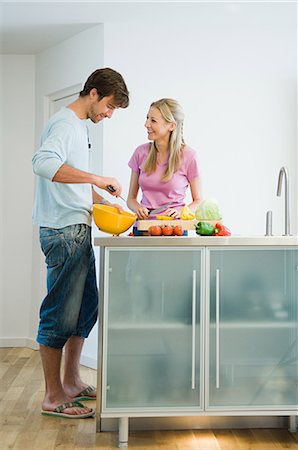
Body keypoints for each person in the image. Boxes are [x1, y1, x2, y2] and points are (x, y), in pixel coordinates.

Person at [32, 68, 129, 418]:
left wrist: (100, 198)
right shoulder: (65, 124)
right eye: (109, 106)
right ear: (93, 93)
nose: (108, 114)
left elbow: (66, 179)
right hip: (63, 232)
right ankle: (53, 396)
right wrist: (99, 178)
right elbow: (43, 164)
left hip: (77, 226)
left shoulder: (78, 128)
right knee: (59, 314)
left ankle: (71, 381)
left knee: (86, 308)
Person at [127, 98, 201, 234]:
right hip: (143, 229)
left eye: (153, 120)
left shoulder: (189, 156)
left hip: (174, 229)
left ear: (171, 126)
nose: (146, 124)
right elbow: (131, 199)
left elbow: (198, 200)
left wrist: (181, 211)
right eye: (147, 118)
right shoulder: (140, 152)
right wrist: (138, 208)